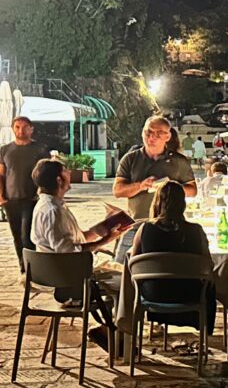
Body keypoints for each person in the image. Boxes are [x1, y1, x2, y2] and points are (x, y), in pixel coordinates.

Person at [29, 158, 123, 332]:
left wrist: (106, 227)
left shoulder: (53, 206)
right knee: (126, 283)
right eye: (66, 171)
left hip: (64, 272)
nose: (70, 174)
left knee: (119, 274)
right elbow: (69, 251)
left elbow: (77, 238)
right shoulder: (52, 211)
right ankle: (118, 335)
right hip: (68, 280)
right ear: (59, 180)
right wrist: (104, 241)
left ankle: (111, 330)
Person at [130, 181, 216, 333]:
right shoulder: (196, 231)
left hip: (153, 293)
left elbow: (134, 265)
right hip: (189, 294)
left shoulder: (144, 230)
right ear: (182, 203)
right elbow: (208, 265)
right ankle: (204, 328)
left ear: (158, 202)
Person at [113, 116, 197, 261]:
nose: (152, 137)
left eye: (158, 133)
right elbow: (118, 190)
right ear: (142, 133)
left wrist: (170, 187)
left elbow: (192, 190)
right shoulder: (130, 159)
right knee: (121, 268)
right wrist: (140, 185)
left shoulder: (178, 161)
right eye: (148, 132)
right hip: (136, 224)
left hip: (172, 225)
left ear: (167, 136)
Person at [0, 116, 52, 273]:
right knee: (17, 237)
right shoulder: (5, 150)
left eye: (24, 127)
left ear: (31, 129)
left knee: (27, 236)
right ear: (13, 128)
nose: (20, 130)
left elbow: (46, 173)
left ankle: (33, 270)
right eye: (17, 127)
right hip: (11, 199)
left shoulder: (40, 149)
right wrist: (1, 196)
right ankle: (24, 268)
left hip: (32, 199)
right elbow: (1, 175)